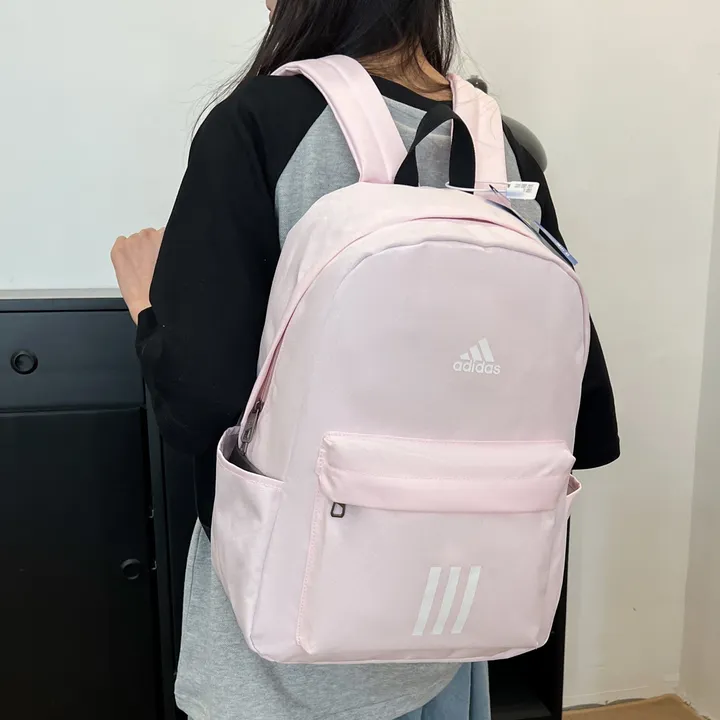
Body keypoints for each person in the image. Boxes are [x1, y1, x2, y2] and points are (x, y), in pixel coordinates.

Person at [111, 0, 620, 718]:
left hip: (287, 649)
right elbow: (582, 422)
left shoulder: (260, 123)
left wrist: (148, 307)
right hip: (453, 626)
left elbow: (202, 403)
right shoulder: (503, 150)